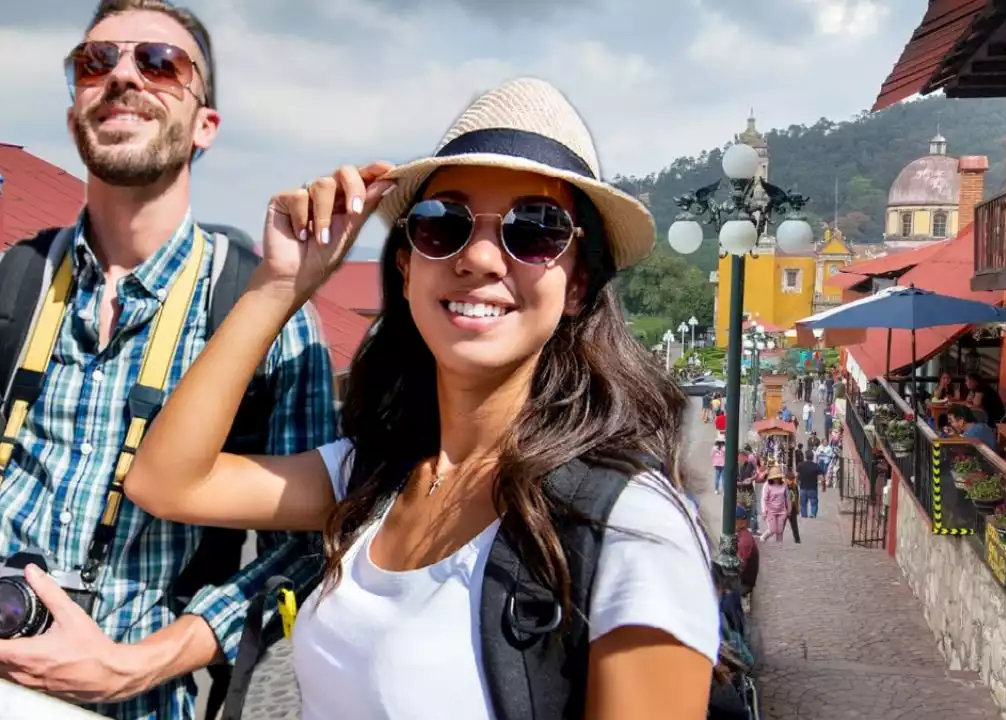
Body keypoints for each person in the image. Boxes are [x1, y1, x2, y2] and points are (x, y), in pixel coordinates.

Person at [126, 77, 718, 717]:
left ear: (577, 285)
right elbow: (166, 482)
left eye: (536, 228)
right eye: (445, 224)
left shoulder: (628, 524)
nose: (483, 257)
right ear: (407, 265)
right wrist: (278, 285)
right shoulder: (376, 475)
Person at [0, 2, 335, 717]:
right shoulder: (14, 280)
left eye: (159, 63)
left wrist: (134, 664)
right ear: (73, 116)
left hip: (136, 704)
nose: (123, 76)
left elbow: (306, 550)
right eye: (96, 63)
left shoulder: (265, 312)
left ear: (203, 126)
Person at [759, 466, 789, 542]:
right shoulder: (767, 485)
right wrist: (763, 511)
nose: (776, 479)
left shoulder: (784, 485)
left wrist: (789, 509)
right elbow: (764, 499)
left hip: (782, 511)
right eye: (775, 477)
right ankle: (763, 538)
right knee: (772, 530)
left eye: (778, 477)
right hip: (770, 511)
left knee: (780, 531)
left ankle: (779, 546)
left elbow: (787, 497)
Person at [796, 451, 822, 518]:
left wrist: (797, 483)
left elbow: (797, 476)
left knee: (803, 504)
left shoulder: (800, 465)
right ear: (813, 457)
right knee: (814, 502)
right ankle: (812, 514)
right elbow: (821, 477)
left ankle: (804, 515)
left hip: (803, 487)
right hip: (812, 488)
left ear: (805, 456)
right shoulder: (816, 466)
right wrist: (822, 484)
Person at [784, 471, 801, 544]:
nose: (791, 481)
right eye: (789, 479)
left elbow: (797, 497)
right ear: (786, 479)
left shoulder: (795, 486)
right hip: (784, 508)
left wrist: (797, 508)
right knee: (781, 525)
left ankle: (797, 539)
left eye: (792, 479)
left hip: (793, 508)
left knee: (794, 525)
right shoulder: (783, 487)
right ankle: (778, 539)